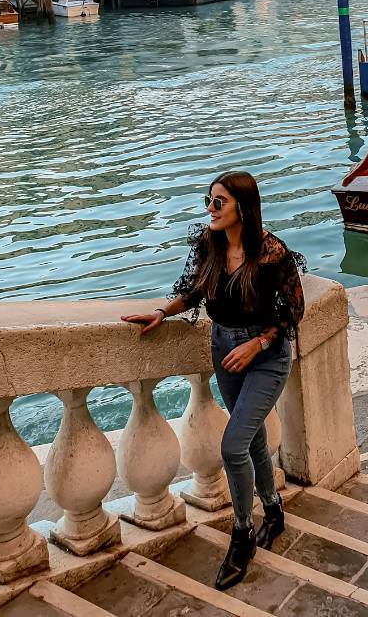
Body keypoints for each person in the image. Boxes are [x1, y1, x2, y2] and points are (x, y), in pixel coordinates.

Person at [122, 170, 305, 590]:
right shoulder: (209, 244)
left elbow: (293, 311)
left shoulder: (272, 253)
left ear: (243, 206)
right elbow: (194, 290)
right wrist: (163, 312)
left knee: (233, 444)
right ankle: (273, 511)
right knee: (254, 440)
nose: (210, 208)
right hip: (223, 350)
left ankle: (241, 535)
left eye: (218, 202)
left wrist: (258, 344)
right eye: (209, 200)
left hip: (265, 356)